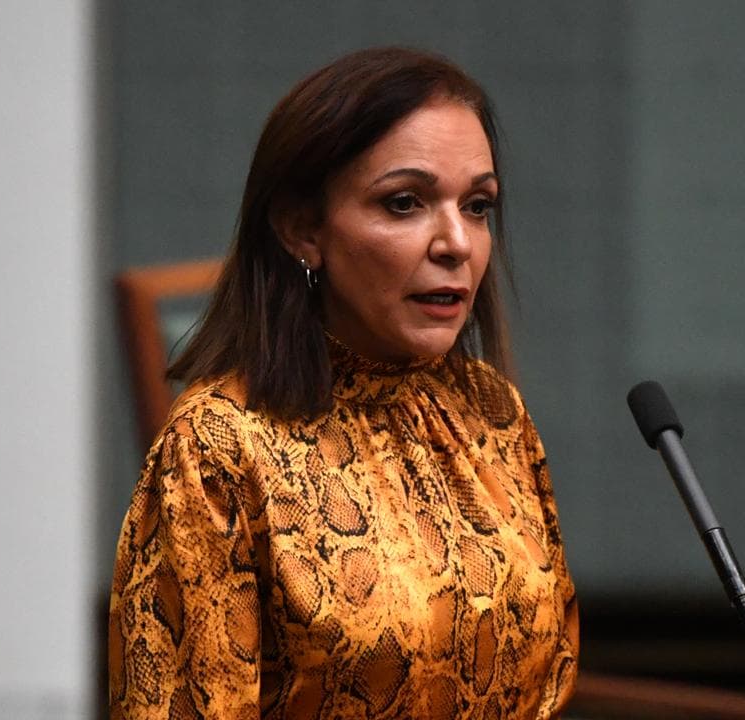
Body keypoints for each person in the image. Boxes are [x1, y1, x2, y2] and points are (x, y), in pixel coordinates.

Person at [108, 46, 578, 719]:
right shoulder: (219, 445)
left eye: (477, 206)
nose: (456, 243)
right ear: (303, 228)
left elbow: (547, 673)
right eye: (405, 203)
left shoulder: (489, 408)